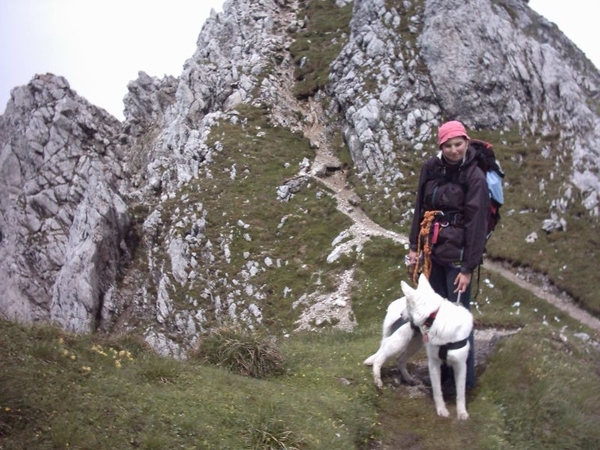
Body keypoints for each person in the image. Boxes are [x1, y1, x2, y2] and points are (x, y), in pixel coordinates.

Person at [406, 120, 489, 392]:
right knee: (434, 316)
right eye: (448, 145)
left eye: (458, 144)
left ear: (466, 142)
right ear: (440, 146)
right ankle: (440, 376)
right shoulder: (431, 168)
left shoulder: (474, 175)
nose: (454, 150)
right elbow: (420, 205)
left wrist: (467, 268)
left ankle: (462, 383)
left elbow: (477, 223)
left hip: (458, 257)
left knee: (457, 318)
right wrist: (414, 247)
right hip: (433, 252)